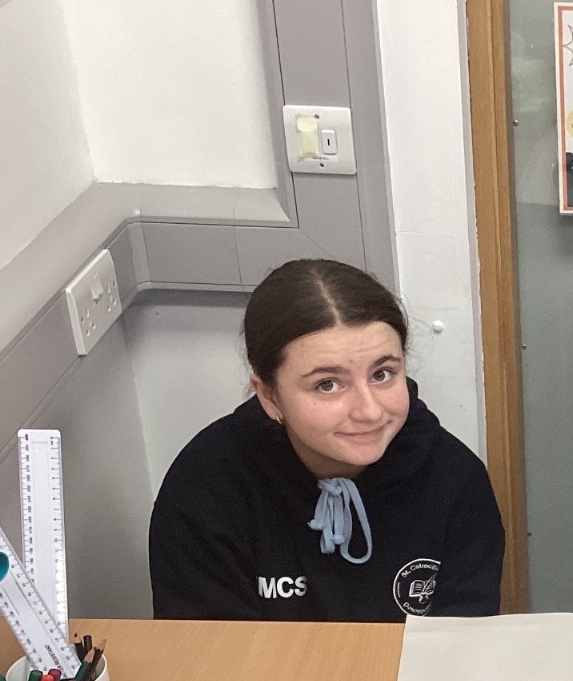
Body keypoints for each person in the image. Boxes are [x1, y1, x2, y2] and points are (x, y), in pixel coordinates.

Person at [149, 258, 504, 621]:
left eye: (382, 374)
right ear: (269, 396)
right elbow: (206, 646)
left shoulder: (455, 480)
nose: (369, 411)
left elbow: (465, 635)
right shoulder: (206, 488)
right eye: (328, 384)